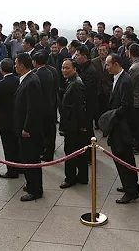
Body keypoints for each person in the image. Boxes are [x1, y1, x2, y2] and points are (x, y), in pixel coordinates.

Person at [101, 53, 139, 204]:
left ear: (116, 64)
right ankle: (128, 185)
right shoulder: (117, 78)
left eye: (108, 64)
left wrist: (109, 116)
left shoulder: (126, 81)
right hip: (118, 126)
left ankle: (131, 190)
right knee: (122, 158)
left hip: (123, 128)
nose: (106, 67)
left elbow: (125, 106)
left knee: (124, 158)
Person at [13, 53, 44, 201]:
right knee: (26, 158)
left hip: (29, 130)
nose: (15, 66)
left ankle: (35, 189)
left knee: (31, 158)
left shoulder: (31, 81)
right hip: (23, 127)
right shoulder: (26, 79)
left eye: (16, 63)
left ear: (22, 65)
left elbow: (33, 108)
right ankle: (31, 183)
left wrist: (27, 128)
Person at [59, 59, 88, 188]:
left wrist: (81, 125)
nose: (64, 70)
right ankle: (82, 176)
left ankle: (70, 178)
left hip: (73, 125)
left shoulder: (76, 84)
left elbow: (80, 107)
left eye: (67, 68)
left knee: (71, 151)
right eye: (63, 68)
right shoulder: (71, 81)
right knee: (78, 151)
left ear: (74, 69)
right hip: (72, 123)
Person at [0, 58, 21, 179]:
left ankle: (12, 170)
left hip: (5, 119)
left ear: (1, 70)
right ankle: (20, 166)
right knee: (18, 144)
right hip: (18, 117)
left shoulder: (0, 84)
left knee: (8, 146)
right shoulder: (19, 81)